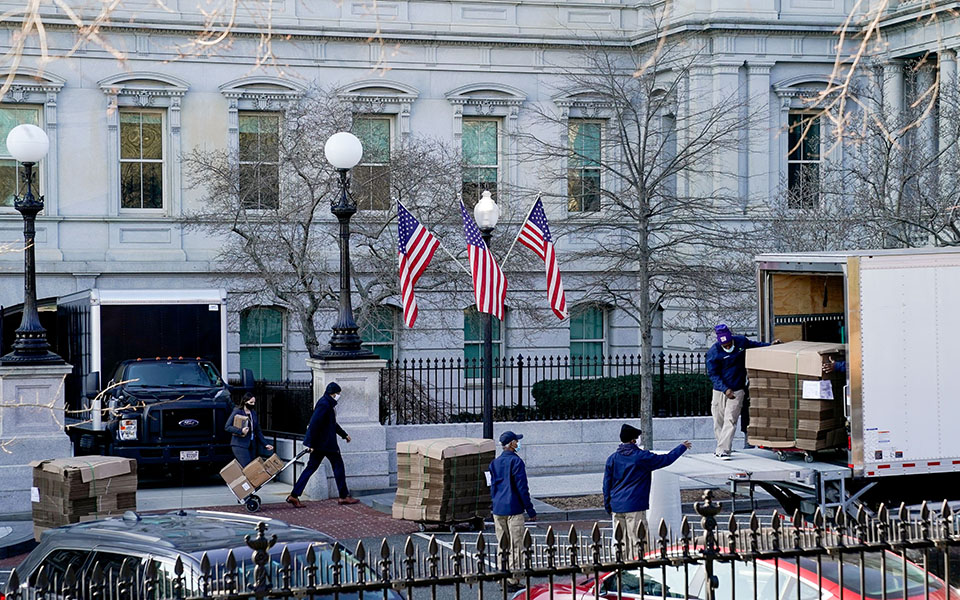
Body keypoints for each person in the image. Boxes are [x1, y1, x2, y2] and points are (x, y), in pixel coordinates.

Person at [603, 424, 691, 559]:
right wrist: (682, 447)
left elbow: (606, 484)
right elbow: (665, 460)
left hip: (616, 505)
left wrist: (608, 504)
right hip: (635, 505)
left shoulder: (613, 458)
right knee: (638, 540)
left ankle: (622, 567)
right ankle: (638, 568)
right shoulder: (641, 457)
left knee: (621, 541)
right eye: (637, 438)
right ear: (633, 440)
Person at [705, 324, 777, 460]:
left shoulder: (740, 342)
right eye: (724, 345)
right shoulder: (714, 352)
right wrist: (725, 389)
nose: (727, 347)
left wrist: (771, 345)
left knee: (730, 419)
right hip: (720, 390)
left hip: (737, 389)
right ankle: (723, 446)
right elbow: (713, 374)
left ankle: (723, 449)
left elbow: (755, 345)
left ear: (731, 338)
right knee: (718, 421)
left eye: (728, 344)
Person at [286, 382, 358, 507]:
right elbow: (314, 424)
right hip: (326, 444)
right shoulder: (325, 405)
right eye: (338, 393)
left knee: (310, 468)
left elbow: (331, 424)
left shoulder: (326, 403)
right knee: (338, 467)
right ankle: (343, 496)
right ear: (333, 393)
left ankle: (294, 495)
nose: (339, 396)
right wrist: (310, 443)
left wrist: (343, 434)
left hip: (321, 444)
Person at [488, 431, 536, 591]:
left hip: (498, 509)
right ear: (512, 444)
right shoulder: (516, 462)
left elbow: (492, 487)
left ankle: (502, 575)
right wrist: (530, 509)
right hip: (514, 508)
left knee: (502, 545)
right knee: (516, 545)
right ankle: (513, 580)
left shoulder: (494, 463)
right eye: (516, 441)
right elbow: (522, 487)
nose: (518, 443)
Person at [224, 392, 273, 467]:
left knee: (252, 466)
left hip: (251, 444)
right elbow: (227, 426)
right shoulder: (237, 411)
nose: (253, 404)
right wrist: (240, 431)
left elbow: (257, 430)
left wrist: (265, 444)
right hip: (239, 444)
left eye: (254, 402)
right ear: (245, 401)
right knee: (248, 467)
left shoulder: (253, 413)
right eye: (251, 402)